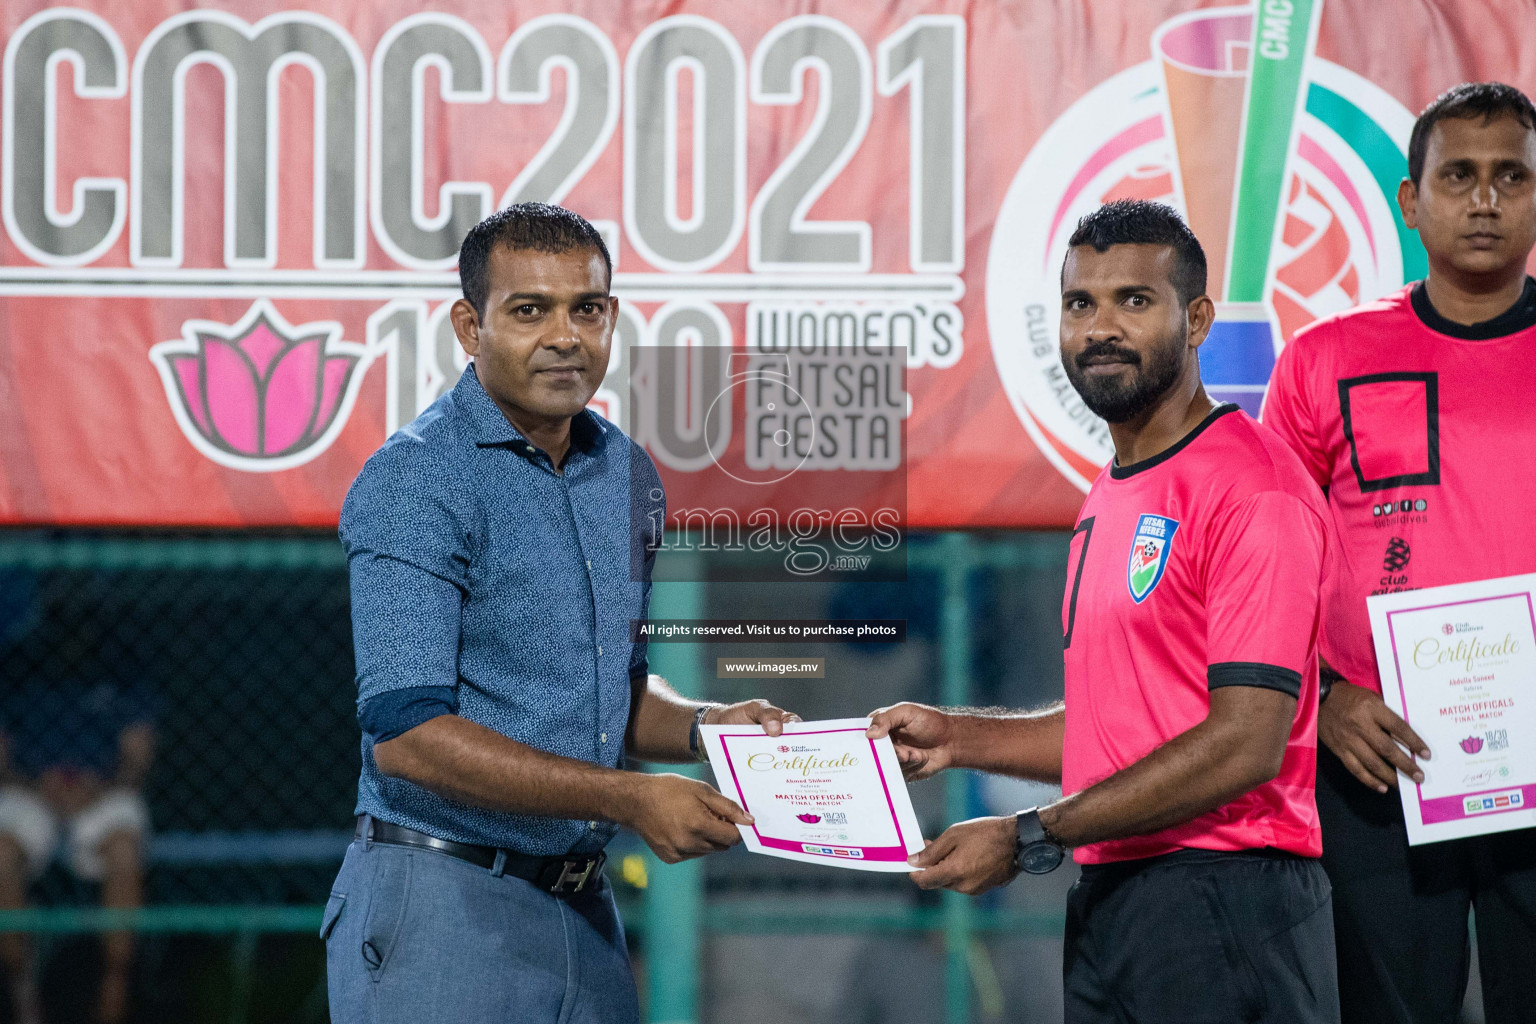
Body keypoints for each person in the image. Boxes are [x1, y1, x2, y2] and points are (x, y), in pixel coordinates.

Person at [868, 200, 1340, 1023]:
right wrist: (958, 737)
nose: (1101, 327)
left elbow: (1246, 743)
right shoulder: (1115, 489)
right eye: (1081, 303)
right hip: (1120, 900)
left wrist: (1027, 838)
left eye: (1134, 300)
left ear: (1196, 320)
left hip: (1229, 903)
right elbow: (1118, 730)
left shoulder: (1252, 487)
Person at [324, 202, 797, 1023]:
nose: (565, 335)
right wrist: (631, 799)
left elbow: (609, 691)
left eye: (587, 308)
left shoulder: (625, 471)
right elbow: (405, 735)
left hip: (584, 914)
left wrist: (709, 728)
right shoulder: (416, 479)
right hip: (442, 904)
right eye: (529, 310)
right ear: (470, 328)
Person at [1262, 81, 1536, 1024]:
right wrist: (1326, 699)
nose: (1488, 199)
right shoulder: (1323, 359)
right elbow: (1268, 569)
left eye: (1513, 176)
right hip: (1376, 763)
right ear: (1411, 200)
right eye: (1460, 175)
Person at [0, 679, 155, 1024]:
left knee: (125, 851)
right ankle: (23, 996)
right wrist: (37, 785)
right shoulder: (19, 660)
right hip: (30, 792)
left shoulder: (123, 668)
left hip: (100, 792)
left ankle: (114, 990)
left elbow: (138, 760)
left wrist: (98, 786)